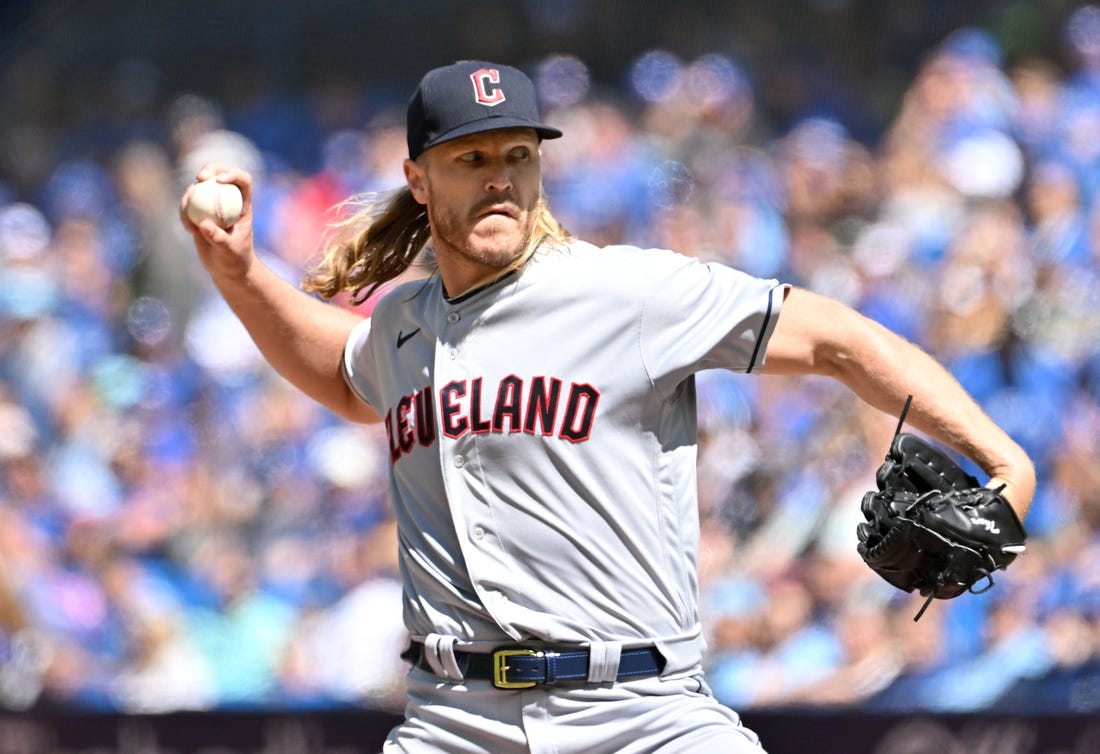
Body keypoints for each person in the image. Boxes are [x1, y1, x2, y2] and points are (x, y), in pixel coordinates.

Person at [180, 60, 1036, 754]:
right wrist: (238, 273)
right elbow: (338, 371)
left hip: (640, 715)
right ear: (418, 176)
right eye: (472, 160)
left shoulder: (626, 292)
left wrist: (1004, 458)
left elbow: (839, 339)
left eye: (518, 155)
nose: (500, 180)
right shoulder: (405, 326)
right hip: (455, 719)